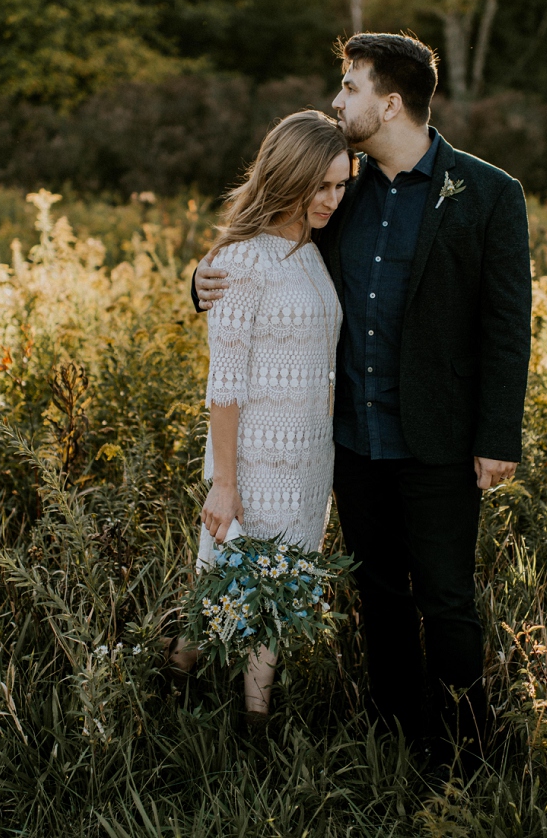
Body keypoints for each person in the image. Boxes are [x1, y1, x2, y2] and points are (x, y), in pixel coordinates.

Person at [193, 33, 531, 761]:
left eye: (349, 87)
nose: (338, 100)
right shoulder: (340, 186)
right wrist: (201, 280)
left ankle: (467, 746)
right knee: (378, 592)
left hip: (440, 437)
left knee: (446, 597)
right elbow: (262, 245)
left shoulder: (489, 194)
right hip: (352, 440)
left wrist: (498, 434)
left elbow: (507, 325)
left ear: (391, 102)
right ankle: (396, 731)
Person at [169, 110, 354, 725]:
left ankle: (200, 696)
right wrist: (225, 483)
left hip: (308, 460)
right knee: (240, 590)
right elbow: (224, 384)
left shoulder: (309, 251)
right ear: (288, 177)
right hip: (253, 461)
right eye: (321, 185)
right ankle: (238, 719)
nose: (332, 199)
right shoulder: (242, 261)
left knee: (258, 588)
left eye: (341, 185)